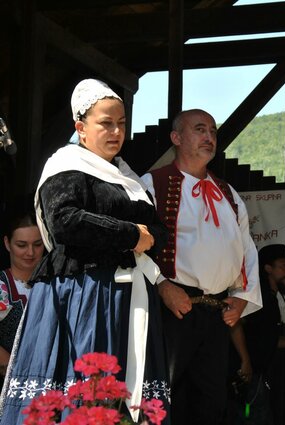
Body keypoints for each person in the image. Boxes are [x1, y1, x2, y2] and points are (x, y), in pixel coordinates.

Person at [0, 79, 171, 424]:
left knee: (127, 397)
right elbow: (64, 221)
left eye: (121, 123)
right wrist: (129, 234)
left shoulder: (128, 178)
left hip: (127, 298)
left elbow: (157, 232)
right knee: (83, 391)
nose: (116, 131)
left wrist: (139, 236)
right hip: (85, 293)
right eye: (105, 123)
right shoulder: (65, 168)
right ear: (80, 127)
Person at [140, 108, 262, 424]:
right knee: (162, 399)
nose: (209, 137)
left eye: (212, 131)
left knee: (211, 404)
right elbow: (134, 246)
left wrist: (241, 296)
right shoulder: (153, 184)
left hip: (216, 313)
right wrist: (162, 285)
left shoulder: (228, 193)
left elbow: (246, 249)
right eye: (199, 129)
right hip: (173, 311)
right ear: (176, 138)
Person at [227, 244, 285, 425]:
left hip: (257, 376)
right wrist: (245, 361)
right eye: (283, 265)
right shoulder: (256, 297)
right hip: (245, 376)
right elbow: (234, 323)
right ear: (268, 268)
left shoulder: (270, 298)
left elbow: (267, 339)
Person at [0, 210, 44, 384]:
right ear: (7, 243)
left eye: (38, 244)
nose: (30, 252)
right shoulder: (2, 285)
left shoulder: (58, 285)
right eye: (21, 245)